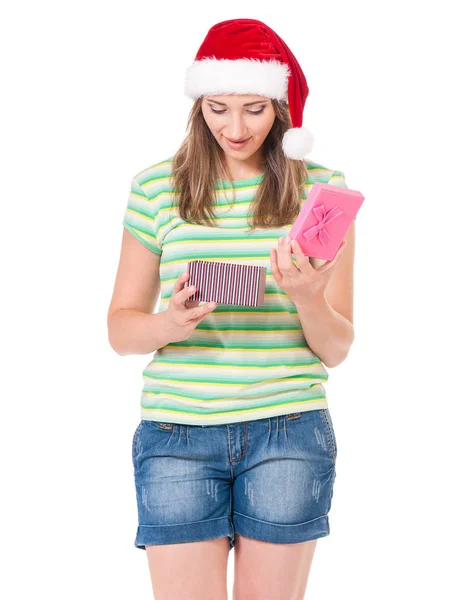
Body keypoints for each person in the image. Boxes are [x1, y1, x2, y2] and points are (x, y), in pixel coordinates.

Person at [107, 18, 355, 600]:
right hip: (178, 433)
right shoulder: (155, 189)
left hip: (288, 431)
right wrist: (171, 322)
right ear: (198, 105)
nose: (234, 127)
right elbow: (120, 329)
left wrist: (307, 295)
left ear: (281, 110)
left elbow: (338, 348)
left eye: (254, 109)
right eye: (218, 108)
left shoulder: (320, 193)